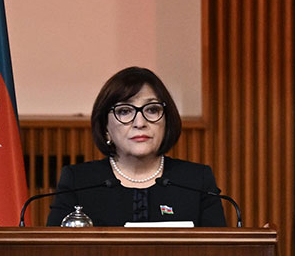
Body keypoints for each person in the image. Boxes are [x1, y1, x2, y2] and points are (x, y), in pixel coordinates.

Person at [46, 66, 229, 227]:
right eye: (124, 111)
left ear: (167, 120)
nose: (139, 122)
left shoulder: (196, 181)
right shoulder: (79, 182)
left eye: (152, 110)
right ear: (105, 127)